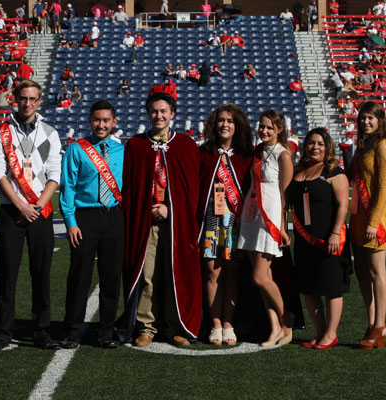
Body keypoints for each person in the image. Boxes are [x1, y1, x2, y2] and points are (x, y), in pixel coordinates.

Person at [117, 84, 202, 347]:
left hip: (177, 223)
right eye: (154, 111)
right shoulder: (136, 145)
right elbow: (130, 187)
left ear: (172, 113)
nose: (159, 116)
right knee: (148, 275)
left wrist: (171, 208)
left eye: (163, 111)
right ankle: (146, 326)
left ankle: (175, 326)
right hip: (146, 223)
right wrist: (146, 209)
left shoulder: (186, 145)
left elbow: (193, 192)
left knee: (175, 272)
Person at [0, 79, 62, 351]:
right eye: (23, 98)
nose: (27, 103)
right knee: (6, 274)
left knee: (41, 274)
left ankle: (41, 332)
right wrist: (21, 206)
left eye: (32, 98)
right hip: (12, 211)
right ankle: (3, 333)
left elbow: (54, 174)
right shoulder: (1, 131)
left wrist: (37, 207)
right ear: (14, 99)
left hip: (40, 211)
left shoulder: (50, 133)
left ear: (39, 101)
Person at [59, 100, 124, 349]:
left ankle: (106, 332)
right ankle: (72, 331)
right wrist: (71, 222)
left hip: (114, 217)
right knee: (79, 278)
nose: (101, 124)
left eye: (106, 120)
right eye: (97, 119)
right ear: (89, 121)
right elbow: (68, 189)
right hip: (84, 219)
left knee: (111, 277)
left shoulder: (121, 150)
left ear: (114, 122)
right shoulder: (77, 149)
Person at [287, 128, 351, 349]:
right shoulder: (299, 170)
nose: (315, 147)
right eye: (311, 143)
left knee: (331, 286)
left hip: (328, 238)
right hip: (304, 240)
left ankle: (331, 334)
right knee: (308, 287)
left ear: (328, 147)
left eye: (320, 144)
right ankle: (321, 332)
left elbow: (343, 205)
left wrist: (335, 233)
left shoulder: (334, 171)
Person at [197, 104, 253, 346]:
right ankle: (215, 324)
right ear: (213, 124)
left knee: (231, 273)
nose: (225, 125)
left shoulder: (245, 156)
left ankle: (228, 324)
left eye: (230, 120)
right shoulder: (204, 153)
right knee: (212, 271)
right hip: (210, 220)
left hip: (235, 221)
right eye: (220, 120)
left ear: (237, 125)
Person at [237, 109, 294, 347]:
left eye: (269, 127)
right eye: (262, 126)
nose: (264, 131)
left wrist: (282, 226)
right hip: (251, 214)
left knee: (260, 277)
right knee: (263, 278)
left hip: (269, 215)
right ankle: (275, 329)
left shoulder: (284, 155)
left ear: (279, 129)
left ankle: (287, 318)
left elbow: (284, 194)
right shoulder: (257, 152)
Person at [348, 101, 386, 350]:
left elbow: (385, 187)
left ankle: (380, 325)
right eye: (362, 118)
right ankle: (371, 323)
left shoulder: (384, 145)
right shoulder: (362, 146)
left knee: (377, 271)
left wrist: (374, 220)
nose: (365, 122)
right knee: (362, 271)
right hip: (358, 217)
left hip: (375, 218)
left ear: (380, 120)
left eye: (370, 118)